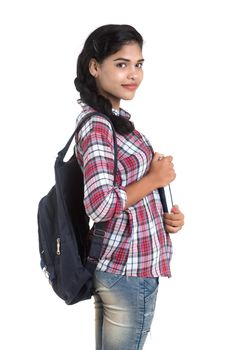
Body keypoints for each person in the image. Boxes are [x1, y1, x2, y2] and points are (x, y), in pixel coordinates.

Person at [74, 24, 185, 350]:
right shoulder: (97, 125)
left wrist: (165, 217)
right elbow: (100, 205)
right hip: (128, 270)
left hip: (123, 266)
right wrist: (154, 178)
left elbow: (124, 191)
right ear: (95, 67)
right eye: (121, 64)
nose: (133, 74)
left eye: (138, 64)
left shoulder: (113, 119)